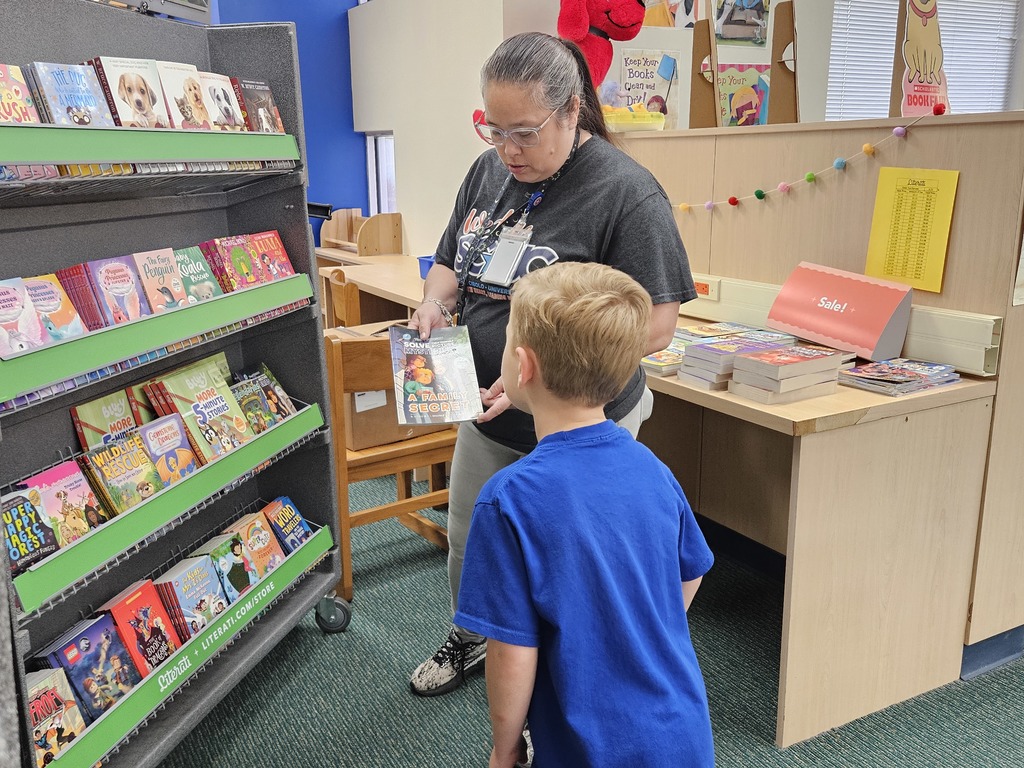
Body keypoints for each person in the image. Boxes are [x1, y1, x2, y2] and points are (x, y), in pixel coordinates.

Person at [408, 31, 697, 697]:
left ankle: (561, 685)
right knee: (472, 542)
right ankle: (475, 639)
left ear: (571, 112)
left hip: (579, 419)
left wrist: (546, 379)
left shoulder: (627, 194)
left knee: (568, 567)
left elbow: (655, 325)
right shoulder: (490, 172)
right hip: (489, 414)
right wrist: (432, 302)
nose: (508, 150)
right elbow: (452, 259)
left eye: (526, 133)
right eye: (493, 129)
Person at [455, 262, 714, 767]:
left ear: (523, 366)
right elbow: (692, 571)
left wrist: (505, 747)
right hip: (682, 733)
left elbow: (510, 653)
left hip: (586, 744)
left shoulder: (506, 499)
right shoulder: (652, 468)